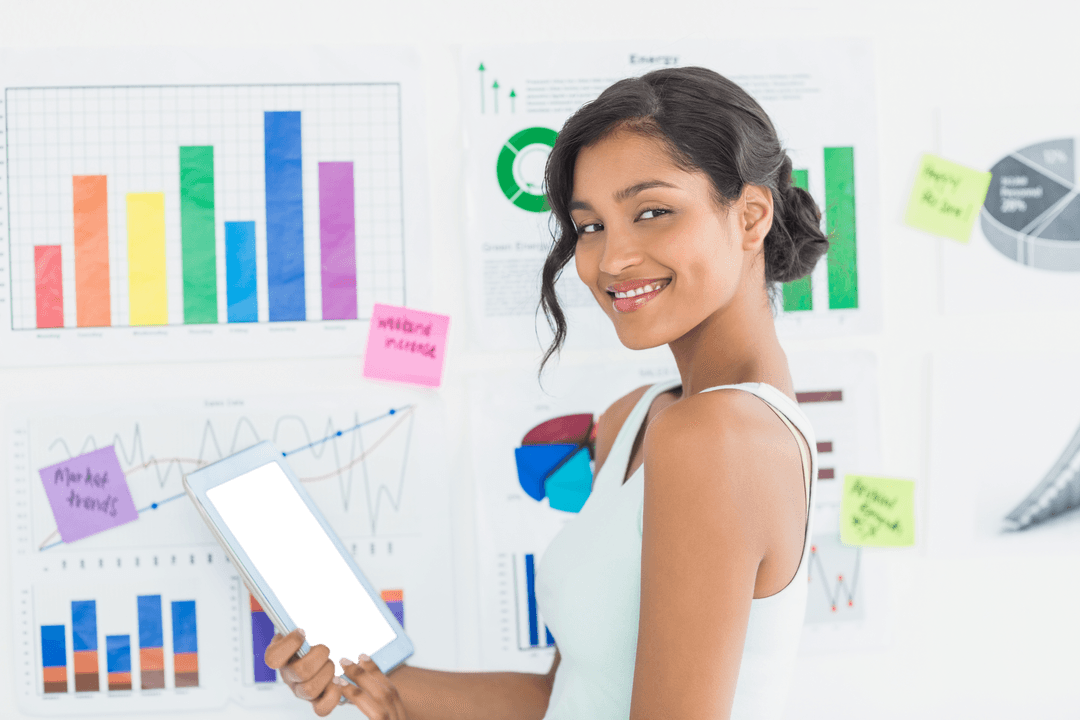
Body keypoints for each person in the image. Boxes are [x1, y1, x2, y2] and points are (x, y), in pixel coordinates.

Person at [263, 65, 829, 720]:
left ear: (751, 215)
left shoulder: (718, 437)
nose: (612, 260)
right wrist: (373, 686)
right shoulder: (639, 419)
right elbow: (567, 697)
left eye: (652, 212)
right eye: (591, 227)